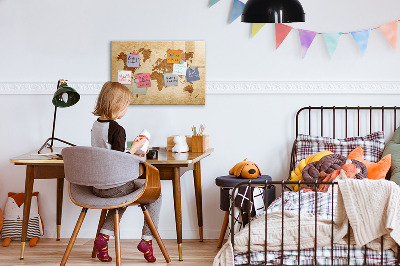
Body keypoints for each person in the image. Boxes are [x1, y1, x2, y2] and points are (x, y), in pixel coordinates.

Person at [91, 81, 161, 263]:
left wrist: (130, 149)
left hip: (97, 186)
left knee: (121, 198)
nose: (127, 109)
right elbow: (118, 161)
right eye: (126, 104)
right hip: (114, 186)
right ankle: (147, 240)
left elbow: (108, 154)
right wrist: (136, 149)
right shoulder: (117, 129)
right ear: (118, 105)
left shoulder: (96, 125)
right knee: (156, 194)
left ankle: (103, 238)